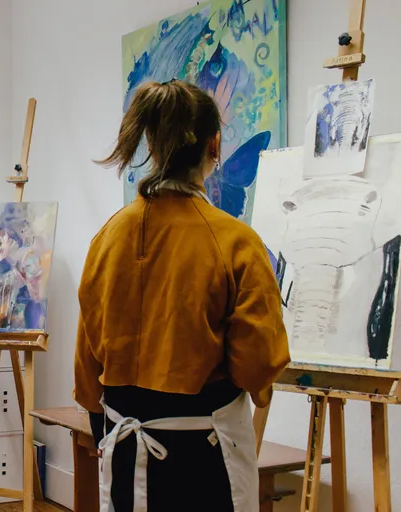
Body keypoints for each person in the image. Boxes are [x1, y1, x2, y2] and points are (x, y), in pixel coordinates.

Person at [74, 80, 291, 512]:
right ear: (215, 145)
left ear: (152, 143)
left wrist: (101, 427)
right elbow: (257, 364)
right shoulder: (236, 241)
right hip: (204, 460)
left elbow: (87, 366)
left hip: (122, 447)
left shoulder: (107, 237)